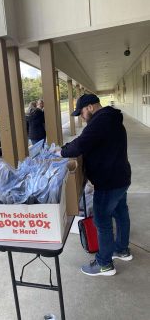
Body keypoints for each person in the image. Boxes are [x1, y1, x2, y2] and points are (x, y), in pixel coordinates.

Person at [59, 94, 132, 276]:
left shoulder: (100, 122)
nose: (81, 117)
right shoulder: (111, 119)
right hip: (120, 177)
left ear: (90, 107)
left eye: (81, 112)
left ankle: (104, 264)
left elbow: (79, 145)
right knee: (121, 213)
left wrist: (62, 151)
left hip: (108, 182)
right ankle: (122, 250)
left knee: (102, 221)